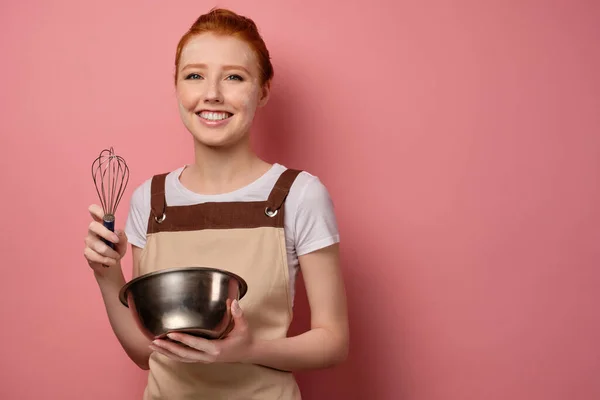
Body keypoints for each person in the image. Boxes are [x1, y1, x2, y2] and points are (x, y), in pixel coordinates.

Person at [83, 7, 349, 399]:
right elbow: (147, 352)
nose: (212, 94)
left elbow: (333, 341)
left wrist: (247, 350)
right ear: (176, 86)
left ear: (263, 89)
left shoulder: (299, 194)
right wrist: (107, 276)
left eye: (234, 77)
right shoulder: (150, 200)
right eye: (194, 75)